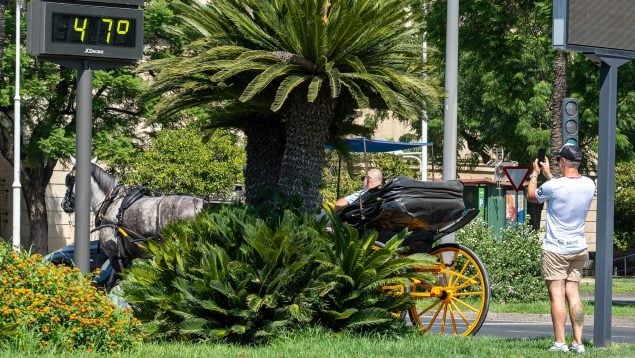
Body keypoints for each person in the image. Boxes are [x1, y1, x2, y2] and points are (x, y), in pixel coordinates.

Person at [527, 143, 595, 353]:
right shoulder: (589, 184)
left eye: (559, 160)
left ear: (563, 161)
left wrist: (535, 174)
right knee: (573, 293)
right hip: (578, 248)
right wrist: (549, 175)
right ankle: (578, 342)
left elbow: (532, 195)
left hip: (556, 249)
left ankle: (560, 342)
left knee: (557, 295)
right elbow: (564, 189)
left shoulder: (554, 187)